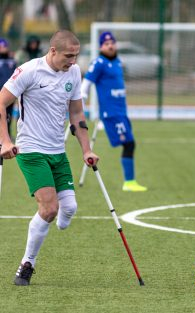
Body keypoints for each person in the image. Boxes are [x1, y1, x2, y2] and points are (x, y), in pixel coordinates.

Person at [0, 30, 99, 286]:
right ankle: (27, 264)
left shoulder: (74, 73)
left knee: (70, 209)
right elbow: (1, 102)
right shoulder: (28, 71)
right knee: (49, 208)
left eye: (76, 56)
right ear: (53, 51)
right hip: (31, 150)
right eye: (69, 55)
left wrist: (86, 150)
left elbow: (77, 112)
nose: (74, 61)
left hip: (58, 151)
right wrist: (6, 141)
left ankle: (54, 220)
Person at [81, 31, 147, 192]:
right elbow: (86, 85)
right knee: (129, 144)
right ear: (101, 46)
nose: (110, 45)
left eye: (112, 42)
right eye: (106, 43)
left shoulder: (117, 61)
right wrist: (81, 106)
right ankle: (129, 182)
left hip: (121, 111)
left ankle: (130, 182)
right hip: (110, 113)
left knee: (129, 144)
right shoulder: (99, 63)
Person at [0, 38, 17, 137]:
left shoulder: (12, 61)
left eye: (3, 46)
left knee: (8, 115)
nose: (2, 49)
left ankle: (8, 135)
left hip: (10, 93)